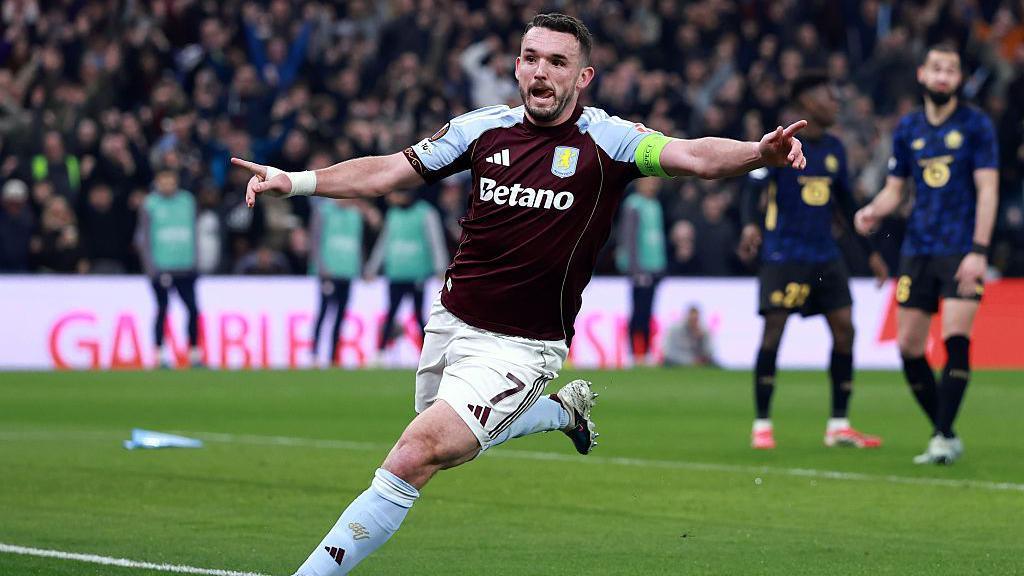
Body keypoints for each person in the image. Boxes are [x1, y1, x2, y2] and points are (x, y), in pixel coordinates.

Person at [231, 14, 807, 575]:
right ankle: (561, 411)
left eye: (558, 62)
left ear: (583, 78)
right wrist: (296, 181)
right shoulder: (482, 130)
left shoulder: (607, 141)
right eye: (532, 58)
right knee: (451, 448)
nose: (541, 72)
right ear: (516, 66)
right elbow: (390, 171)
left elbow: (693, 157)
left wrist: (758, 154)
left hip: (523, 346)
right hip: (451, 323)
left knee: (416, 454)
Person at [855, 44, 998, 465]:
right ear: (922, 74)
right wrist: (871, 211)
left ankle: (940, 437)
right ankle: (947, 431)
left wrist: (979, 250)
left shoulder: (976, 126)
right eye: (936, 68)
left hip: (960, 249)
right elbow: (895, 190)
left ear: (958, 79)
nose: (942, 75)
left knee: (955, 338)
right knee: (909, 347)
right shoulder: (908, 128)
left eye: (951, 69)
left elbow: (988, 189)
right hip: (917, 249)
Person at [739, 71, 889, 451]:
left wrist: (870, 253)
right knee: (774, 333)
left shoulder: (836, 149)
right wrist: (748, 226)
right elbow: (752, 185)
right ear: (807, 103)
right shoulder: (778, 144)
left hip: (825, 255)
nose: (835, 102)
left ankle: (839, 424)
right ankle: (762, 425)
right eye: (828, 96)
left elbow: (847, 205)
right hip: (784, 255)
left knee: (846, 330)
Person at [365, 190, 447, 366]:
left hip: (417, 273)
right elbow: (384, 243)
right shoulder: (393, 214)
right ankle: (380, 353)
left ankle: (428, 356)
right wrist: (373, 267)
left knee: (418, 316)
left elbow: (435, 240)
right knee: (391, 313)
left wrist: (440, 267)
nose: (389, 198)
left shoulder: (426, 212)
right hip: (395, 273)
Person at [136, 169, 203, 369]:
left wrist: (196, 263)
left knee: (192, 309)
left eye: (170, 180)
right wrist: (151, 269)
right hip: (161, 267)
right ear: (157, 182)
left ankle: (194, 354)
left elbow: (194, 232)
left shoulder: (188, 201)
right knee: (162, 309)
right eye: (163, 180)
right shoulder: (150, 204)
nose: (167, 184)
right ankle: (158, 354)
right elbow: (143, 238)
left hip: (185, 267)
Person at [309, 198, 379, 368]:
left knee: (340, 316)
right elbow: (315, 241)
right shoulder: (323, 211)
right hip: (328, 273)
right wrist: (321, 268)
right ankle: (314, 354)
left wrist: (362, 269)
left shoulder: (355, 215)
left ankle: (333, 356)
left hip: (347, 273)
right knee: (324, 313)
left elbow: (358, 244)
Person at [615, 178, 666, 366]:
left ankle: (645, 351)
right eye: (649, 181)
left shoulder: (655, 204)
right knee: (639, 311)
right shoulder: (633, 205)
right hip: (641, 268)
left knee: (648, 311)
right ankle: (635, 353)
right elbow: (629, 238)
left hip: (654, 267)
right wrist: (635, 269)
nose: (653, 184)